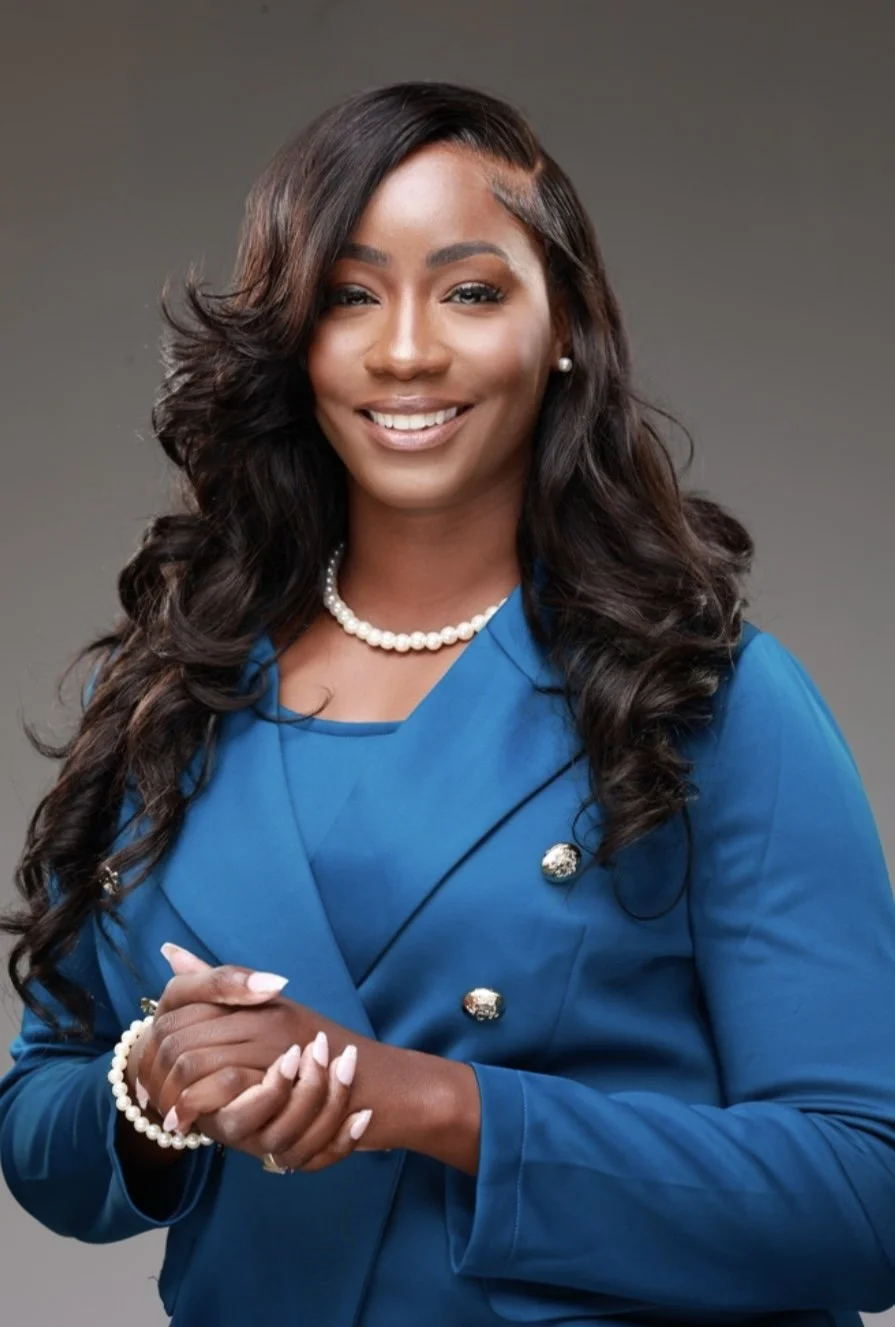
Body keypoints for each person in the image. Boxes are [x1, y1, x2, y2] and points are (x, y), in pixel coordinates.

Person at [1, 80, 894, 1327]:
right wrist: (151, 1083)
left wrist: (433, 1102)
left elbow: (865, 1192)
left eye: (470, 291)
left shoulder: (702, 694)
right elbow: (41, 1119)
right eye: (347, 295)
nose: (406, 349)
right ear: (291, 339)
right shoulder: (160, 695)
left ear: (562, 323)